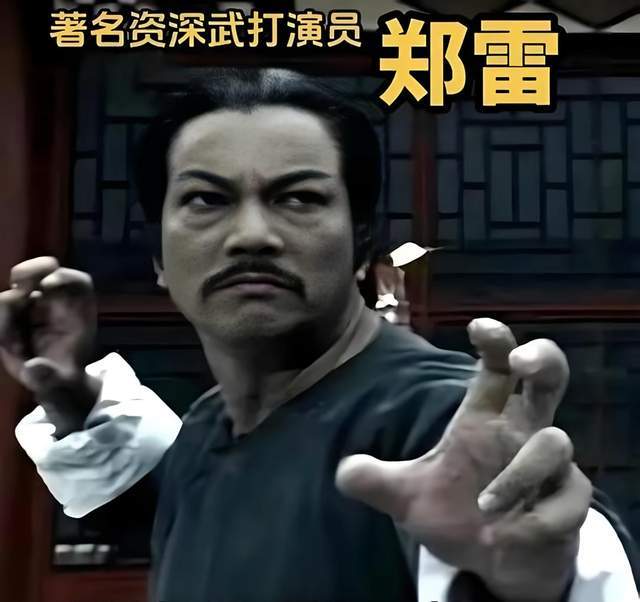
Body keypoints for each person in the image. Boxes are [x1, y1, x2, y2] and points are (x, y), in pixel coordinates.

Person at [2, 69, 638, 602]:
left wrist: (532, 581)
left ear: (361, 244)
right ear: (159, 257)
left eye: (299, 198)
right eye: (206, 200)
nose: (252, 235)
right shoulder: (210, 426)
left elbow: (534, 535)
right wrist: (72, 397)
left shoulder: (436, 421)